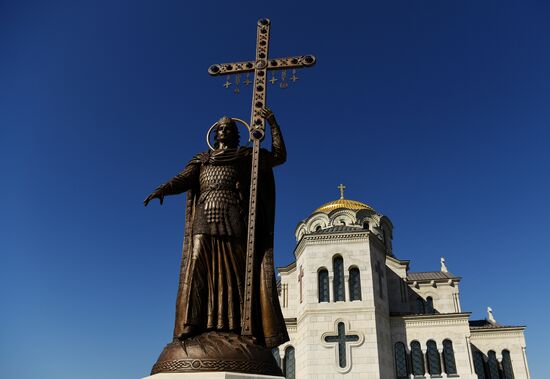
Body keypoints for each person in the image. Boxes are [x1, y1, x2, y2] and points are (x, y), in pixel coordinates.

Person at [144, 108, 289, 349]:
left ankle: (242, 325)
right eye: (221, 128)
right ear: (215, 134)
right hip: (204, 215)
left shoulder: (246, 156)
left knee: (236, 271)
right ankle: (192, 323)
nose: (224, 131)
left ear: (236, 135)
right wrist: (163, 189)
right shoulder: (202, 160)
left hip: (233, 214)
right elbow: (183, 179)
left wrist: (272, 122)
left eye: (229, 129)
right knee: (198, 265)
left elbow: (279, 155)